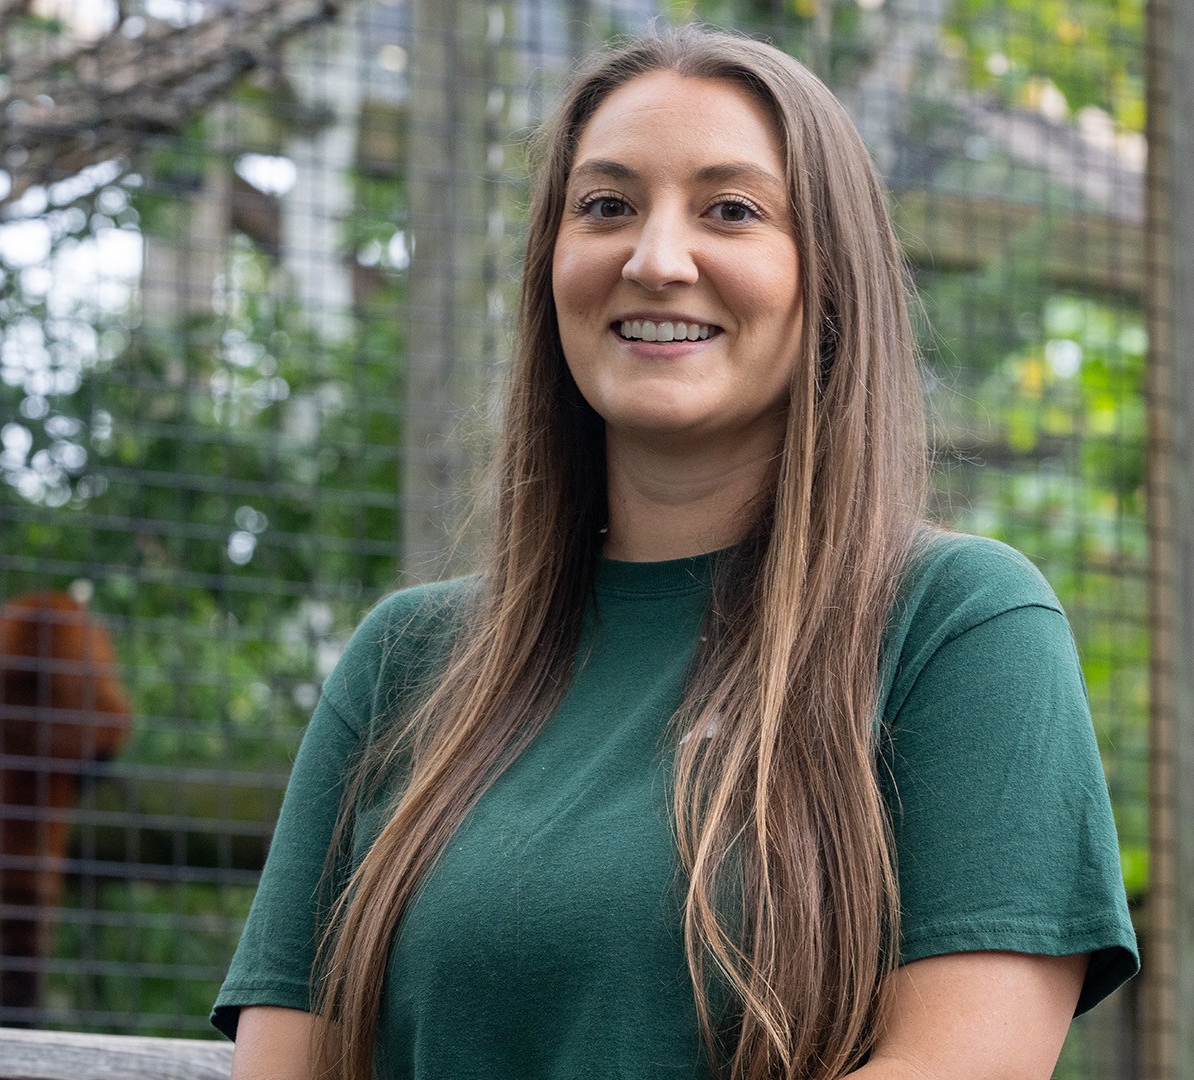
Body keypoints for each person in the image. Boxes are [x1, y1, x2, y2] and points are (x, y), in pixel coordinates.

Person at [215, 26, 1137, 1080]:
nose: (655, 259)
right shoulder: (406, 662)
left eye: (731, 211)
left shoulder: (961, 625)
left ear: (829, 280)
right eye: (606, 206)